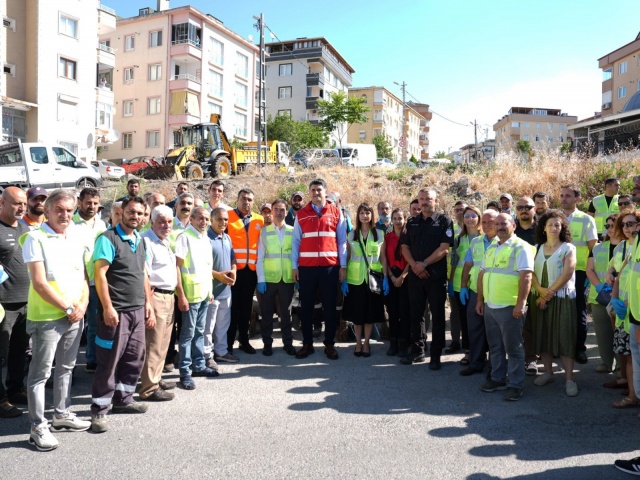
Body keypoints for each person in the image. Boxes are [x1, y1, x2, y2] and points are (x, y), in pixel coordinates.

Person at [21, 190, 91, 451]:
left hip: (74, 314)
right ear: (47, 211)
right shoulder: (35, 238)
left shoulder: (75, 236)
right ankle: (37, 426)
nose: (65, 214)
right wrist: (68, 306)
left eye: (69, 210)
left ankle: (61, 415)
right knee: (40, 374)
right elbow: (39, 283)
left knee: (66, 368)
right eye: (59, 209)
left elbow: (83, 276)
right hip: (47, 317)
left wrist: (82, 304)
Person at [91, 197, 155, 433]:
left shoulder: (140, 240)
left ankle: (124, 399)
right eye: (131, 212)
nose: (135, 217)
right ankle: (99, 411)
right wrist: (107, 307)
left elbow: (143, 275)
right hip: (116, 312)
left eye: (140, 213)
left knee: (134, 357)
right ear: (121, 213)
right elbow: (100, 275)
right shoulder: (108, 239)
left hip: (137, 310)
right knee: (108, 362)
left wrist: (148, 303)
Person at [476, 213, 534, 401]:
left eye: (504, 223)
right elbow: (482, 274)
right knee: (495, 346)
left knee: (514, 348)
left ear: (513, 226)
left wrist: (521, 304)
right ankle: (498, 378)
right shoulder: (492, 246)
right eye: (497, 224)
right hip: (490, 305)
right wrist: (480, 300)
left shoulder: (521, 247)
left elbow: (526, 276)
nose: (500, 226)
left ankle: (516, 384)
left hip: (510, 306)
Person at [291, 178, 347, 360]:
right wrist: (295, 267)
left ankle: (329, 344)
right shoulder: (302, 214)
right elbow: (296, 242)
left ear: (325, 191)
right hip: (306, 269)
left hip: (329, 268)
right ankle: (307, 344)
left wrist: (343, 266)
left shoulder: (336, 213)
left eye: (319, 190)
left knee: (329, 307)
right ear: (310, 192)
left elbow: (341, 241)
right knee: (306, 307)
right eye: (313, 190)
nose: (316, 193)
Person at [400, 188, 453, 370]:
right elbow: (404, 247)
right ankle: (418, 350)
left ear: (435, 200)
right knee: (416, 315)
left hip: (435, 277)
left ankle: (436, 354)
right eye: (421, 199)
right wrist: (415, 265)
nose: (424, 202)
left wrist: (423, 263)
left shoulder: (444, 221)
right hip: (415, 277)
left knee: (438, 315)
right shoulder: (412, 222)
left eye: (428, 199)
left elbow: (444, 248)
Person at [528, 210, 578, 396]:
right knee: (542, 335)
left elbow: (568, 273)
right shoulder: (537, 248)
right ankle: (548, 373)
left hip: (562, 298)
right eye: (550, 225)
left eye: (557, 225)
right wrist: (540, 291)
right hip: (538, 297)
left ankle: (570, 380)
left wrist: (548, 294)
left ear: (562, 227)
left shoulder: (568, 248)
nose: (554, 228)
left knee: (565, 337)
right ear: (543, 228)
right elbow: (530, 272)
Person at [174, 206, 219, 390]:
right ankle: (185, 372)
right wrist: (181, 295)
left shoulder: (205, 239)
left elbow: (206, 267)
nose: (204, 222)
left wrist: (210, 290)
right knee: (187, 334)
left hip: (203, 294)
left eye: (207, 219)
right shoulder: (185, 237)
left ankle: (199, 365)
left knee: (200, 331)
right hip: (190, 295)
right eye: (201, 218)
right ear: (191, 219)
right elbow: (177, 267)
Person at [139, 206, 178, 402]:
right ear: (152, 222)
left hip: (169, 296)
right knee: (153, 344)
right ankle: (148, 388)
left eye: (169, 222)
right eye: (162, 221)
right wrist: (148, 303)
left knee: (163, 343)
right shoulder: (147, 241)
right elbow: (144, 273)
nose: (166, 225)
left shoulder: (165, 241)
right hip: (156, 297)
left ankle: (156, 377)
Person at [0, 187, 30, 418]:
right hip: (3, 303)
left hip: (27, 301)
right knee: (1, 353)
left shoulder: (25, 227)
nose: (21, 208)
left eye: (24, 204)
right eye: (16, 203)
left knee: (19, 350)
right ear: (2, 203)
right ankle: (0, 401)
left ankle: (15, 389)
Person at [342, 203, 387, 357]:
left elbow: (383, 257)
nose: (365, 215)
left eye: (367, 212)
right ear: (358, 215)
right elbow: (347, 257)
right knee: (357, 315)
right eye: (361, 212)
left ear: (372, 215)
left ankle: (367, 343)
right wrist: (344, 278)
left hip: (373, 280)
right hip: (355, 280)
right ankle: (358, 343)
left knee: (369, 314)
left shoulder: (380, 234)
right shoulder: (351, 235)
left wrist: (386, 277)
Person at [560, 185, 598, 364]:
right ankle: (559, 348)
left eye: (568, 195)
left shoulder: (586, 220)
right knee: (559, 310)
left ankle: (579, 349)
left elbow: (593, 249)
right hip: (557, 271)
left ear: (578, 199)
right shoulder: (555, 218)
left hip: (580, 272)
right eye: (561, 195)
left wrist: (591, 273)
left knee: (578, 310)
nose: (564, 198)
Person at [459, 209, 498, 376]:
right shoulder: (476, 242)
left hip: (495, 292)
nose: (488, 225)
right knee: (475, 328)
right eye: (485, 222)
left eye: (492, 222)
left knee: (495, 331)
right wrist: (463, 286)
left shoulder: (503, 241)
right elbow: (468, 265)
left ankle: (494, 366)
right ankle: (476, 362)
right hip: (476, 291)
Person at [72, 188, 107, 373]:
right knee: (73, 324)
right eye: (88, 203)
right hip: (75, 283)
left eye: (95, 203)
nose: (92, 206)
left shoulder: (101, 225)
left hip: (96, 282)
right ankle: (66, 364)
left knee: (94, 324)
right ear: (79, 202)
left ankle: (91, 360)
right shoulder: (71, 224)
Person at [256, 199, 296, 356]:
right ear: (271, 212)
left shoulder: (293, 231)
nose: (279, 212)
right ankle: (267, 344)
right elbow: (260, 258)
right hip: (269, 280)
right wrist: (261, 280)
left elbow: (295, 255)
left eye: (282, 210)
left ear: (286, 212)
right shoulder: (264, 232)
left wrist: (296, 274)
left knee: (286, 314)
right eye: (276, 209)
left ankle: (288, 343)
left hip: (287, 279)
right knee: (266, 314)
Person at [609, 211, 640, 408]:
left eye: (632, 224)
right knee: (631, 357)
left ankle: (633, 394)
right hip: (628, 313)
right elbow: (617, 274)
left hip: (635, 312)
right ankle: (633, 394)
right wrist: (614, 300)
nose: (629, 228)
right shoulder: (627, 247)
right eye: (625, 225)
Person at [227, 189, 264, 355]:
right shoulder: (228, 216)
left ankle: (244, 340)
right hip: (233, 271)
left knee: (246, 308)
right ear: (237, 199)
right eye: (243, 199)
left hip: (251, 271)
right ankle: (228, 343)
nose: (246, 202)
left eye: (249, 199)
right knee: (232, 308)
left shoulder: (259, 219)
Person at [587, 214, 620, 374]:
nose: (609, 229)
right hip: (599, 296)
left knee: (619, 333)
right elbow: (589, 269)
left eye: (613, 225)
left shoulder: (627, 247)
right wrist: (600, 287)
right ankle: (607, 363)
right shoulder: (598, 247)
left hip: (620, 297)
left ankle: (621, 366)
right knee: (602, 332)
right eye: (607, 226)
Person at [449, 205, 482, 365]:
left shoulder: (486, 237)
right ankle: (468, 352)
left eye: (473, 216)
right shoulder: (459, 238)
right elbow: (455, 261)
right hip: (459, 284)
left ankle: (482, 352)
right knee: (464, 318)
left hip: (478, 283)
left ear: (479, 218)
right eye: (467, 216)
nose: (469, 219)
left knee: (479, 319)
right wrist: (450, 281)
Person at [205, 208, 237, 364]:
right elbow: (201, 265)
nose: (223, 222)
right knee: (208, 326)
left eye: (225, 219)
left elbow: (233, 259)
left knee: (223, 325)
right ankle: (207, 355)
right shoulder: (206, 238)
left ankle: (221, 351)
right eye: (219, 219)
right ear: (212, 220)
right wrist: (218, 276)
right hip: (212, 290)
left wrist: (234, 271)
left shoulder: (227, 238)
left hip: (226, 291)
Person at [382, 208, 411, 357]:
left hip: (405, 277)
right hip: (392, 276)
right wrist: (391, 276)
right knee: (393, 312)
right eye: (395, 218)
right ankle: (393, 343)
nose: (398, 221)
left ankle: (404, 343)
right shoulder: (387, 238)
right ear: (391, 220)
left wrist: (402, 277)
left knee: (404, 312)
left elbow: (411, 259)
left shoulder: (409, 237)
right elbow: (385, 258)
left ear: (405, 219)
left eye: (400, 218)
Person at [444, 201, 467, 354]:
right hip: (453, 277)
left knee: (468, 314)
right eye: (457, 209)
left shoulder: (476, 232)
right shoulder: (450, 229)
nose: (459, 212)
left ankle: (468, 343)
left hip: (471, 280)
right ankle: (455, 341)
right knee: (455, 312)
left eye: (462, 210)